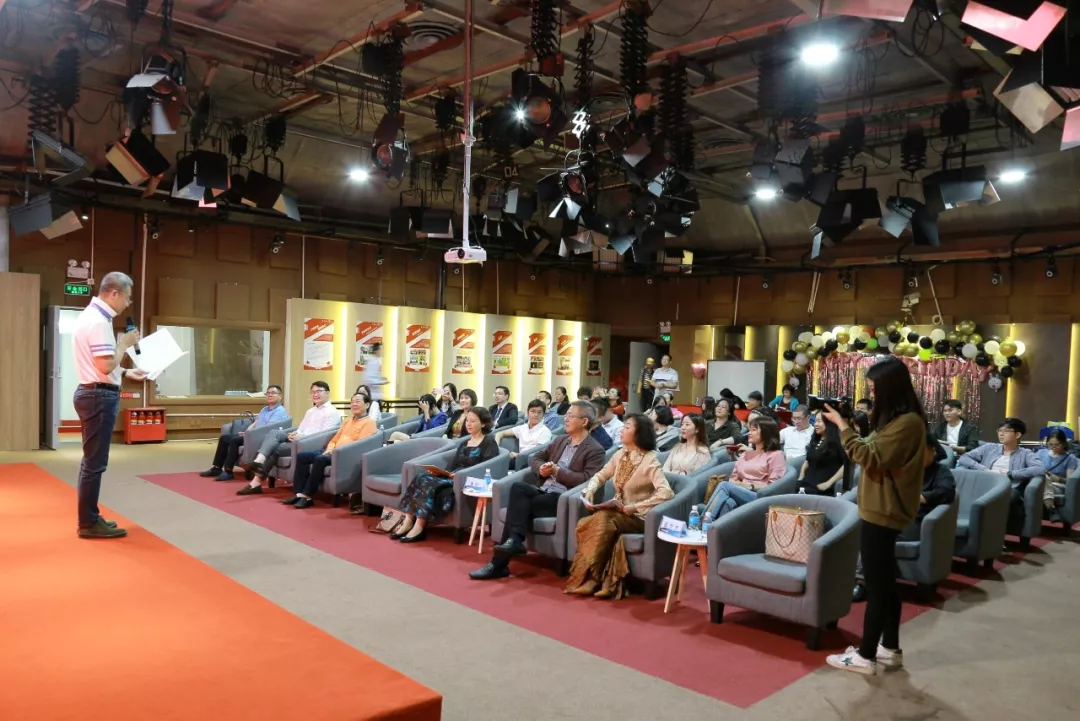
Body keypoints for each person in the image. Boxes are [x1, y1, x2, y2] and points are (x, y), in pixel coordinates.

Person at [822, 356, 928, 676]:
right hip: (880, 508)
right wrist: (850, 426)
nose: (871, 393)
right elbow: (871, 448)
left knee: (877, 586)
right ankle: (889, 648)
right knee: (886, 583)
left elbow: (868, 456)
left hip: (884, 511)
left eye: (874, 388)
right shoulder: (897, 421)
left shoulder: (907, 423)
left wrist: (842, 427)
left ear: (890, 388)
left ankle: (865, 655)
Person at [469, 401, 605, 580]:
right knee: (518, 488)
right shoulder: (561, 440)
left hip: (563, 498)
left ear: (584, 421)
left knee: (518, 506)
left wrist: (558, 471)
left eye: (571, 416)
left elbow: (587, 480)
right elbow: (536, 457)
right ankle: (513, 542)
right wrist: (541, 469)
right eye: (566, 415)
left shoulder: (595, 450)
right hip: (544, 490)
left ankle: (499, 562)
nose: (566, 418)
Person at [71, 271, 149, 539]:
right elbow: (104, 366)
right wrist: (125, 343)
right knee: (94, 464)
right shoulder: (98, 322)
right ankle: (88, 522)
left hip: (92, 392)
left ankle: (90, 517)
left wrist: (126, 372)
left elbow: (101, 364)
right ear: (114, 293)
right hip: (98, 396)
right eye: (127, 297)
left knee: (91, 461)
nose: (128, 303)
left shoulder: (91, 316)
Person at [564, 414, 673, 598]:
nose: (622, 430)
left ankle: (592, 579)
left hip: (638, 518)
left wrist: (636, 506)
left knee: (602, 519)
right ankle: (606, 582)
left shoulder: (650, 460)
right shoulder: (620, 454)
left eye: (627, 427)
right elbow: (601, 475)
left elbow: (666, 492)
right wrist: (590, 490)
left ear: (639, 433)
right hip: (618, 514)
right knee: (596, 522)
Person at [852, 429, 957, 602]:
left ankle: (862, 583)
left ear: (931, 450)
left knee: (874, 534)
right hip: (893, 516)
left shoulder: (941, 472)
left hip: (917, 522)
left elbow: (947, 492)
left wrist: (919, 497)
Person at [392, 407, 499, 543]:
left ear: (483, 423)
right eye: (467, 421)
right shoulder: (464, 443)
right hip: (453, 476)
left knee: (427, 482)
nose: (468, 424)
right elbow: (453, 466)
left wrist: (459, 475)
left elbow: (487, 468)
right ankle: (408, 521)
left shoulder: (489, 442)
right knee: (419, 477)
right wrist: (441, 472)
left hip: (468, 480)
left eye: (473, 421)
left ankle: (419, 526)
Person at [279, 392, 377, 507]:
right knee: (302, 456)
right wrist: (330, 449)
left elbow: (360, 445)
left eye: (357, 402)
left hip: (344, 455)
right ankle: (299, 494)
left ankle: (308, 496)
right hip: (332, 451)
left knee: (320, 459)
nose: (354, 404)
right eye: (352, 402)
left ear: (367, 405)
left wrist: (335, 452)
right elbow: (335, 439)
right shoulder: (348, 421)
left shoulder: (369, 423)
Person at [241, 382, 342, 493]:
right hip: (298, 439)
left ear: (327, 393)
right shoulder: (310, 411)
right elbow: (301, 428)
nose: (315, 394)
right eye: (313, 392)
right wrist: (294, 434)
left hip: (309, 443)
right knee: (274, 433)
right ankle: (258, 461)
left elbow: (323, 435)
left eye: (318, 391)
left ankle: (255, 482)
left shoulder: (332, 412)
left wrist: (301, 437)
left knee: (276, 448)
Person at [957, 418, 1045, 532]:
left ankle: (992, 533)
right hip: (985, 483)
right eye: (999, 430)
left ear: (1018, 435)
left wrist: (1011, 474)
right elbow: (964, 458)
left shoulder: (1025, 454)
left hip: (1009, 487)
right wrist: (983, 469)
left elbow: (1040, 469)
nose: (1001, 434)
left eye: (1006, 431)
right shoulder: (989, 448)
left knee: (1005, 496)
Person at [200, 385, 288, 481]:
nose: (270, 395)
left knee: (234, 440)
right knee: (224, 438)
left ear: (280, 396)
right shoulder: (265, 409)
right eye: (268, 393)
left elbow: (268, 428)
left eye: (273, 393)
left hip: (263, 437)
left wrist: (250, 434)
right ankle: (217, 468)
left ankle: (228, 471)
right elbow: (255, 423)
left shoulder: (280, 411)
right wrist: (247, 432)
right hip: (253, 434)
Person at [703, 417, 786, 518]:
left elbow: (774, 487)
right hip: (740, 492)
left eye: (754, 430)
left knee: (724, 485)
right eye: (749, 429)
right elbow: (733, 478)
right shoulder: (746, 454)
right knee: (729, 502)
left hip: (759, 496)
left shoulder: (776, 455)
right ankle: (712, 526)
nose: (749, 433)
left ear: (766, 432)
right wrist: (737, 484)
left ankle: (703, 520)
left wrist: (748, 486)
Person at [797, 412, 846, 495]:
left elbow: (846, 466)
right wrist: (801, 477)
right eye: (815, 421)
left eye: (819, 421)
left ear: (829, 423)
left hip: (823, 486)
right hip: (807, 482)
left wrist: (828, 483)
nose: (815, 424)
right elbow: (807, 461)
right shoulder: (815, 439)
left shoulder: (838, 442)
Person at [1040, 429, 1078, 521]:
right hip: (1041, 481)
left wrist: (1057, 479)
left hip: (1058, 485)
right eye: (1050, 444)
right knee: (1042, 477)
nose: (1054, 447)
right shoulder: (1041, 453)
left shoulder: (1070, 458)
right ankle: (1051, 509)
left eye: (1057, 445)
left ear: (1064, 443)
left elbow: (1070, 481)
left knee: (1042, 481)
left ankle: (1050, 508)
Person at [360, 341, 387, 408]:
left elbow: (374, 376)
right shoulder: (372, 362)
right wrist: (381, 381)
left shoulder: (376, 361)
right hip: (373, 396)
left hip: (376, 396)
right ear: (376, 351)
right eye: (380, 350)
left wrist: (381, 379)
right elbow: (369, 379)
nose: (381, 352)